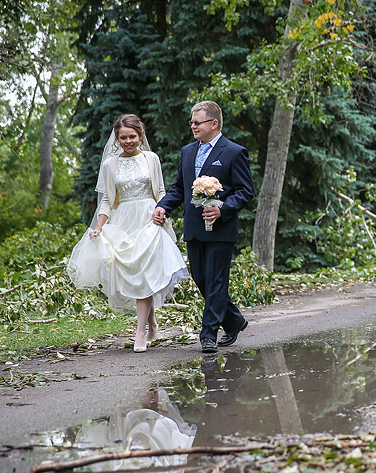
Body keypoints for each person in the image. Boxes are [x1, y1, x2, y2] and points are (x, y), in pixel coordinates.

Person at [67, 114, 188, 352]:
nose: (128, 141)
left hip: (149, 219)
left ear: (140, 136)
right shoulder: (109, 165)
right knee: (133, 275)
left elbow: (161, 190)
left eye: (132, 136)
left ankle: (140, 331)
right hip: (123, 222)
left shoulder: (152, 159)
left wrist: (162, 211)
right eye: (123, 137)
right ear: (117, 139)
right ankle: (151, 322)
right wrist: (99, 226)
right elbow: (106, 200)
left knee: (145, 274)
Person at [152, 101, 254, 354]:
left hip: (221, 228)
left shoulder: (234, 152)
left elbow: (245, 191)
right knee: (201, 278)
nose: (193, 126)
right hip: (195, 227)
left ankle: (208, 334)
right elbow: (179, 188)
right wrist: (164, 206)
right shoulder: (187, 152)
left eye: (198, 122)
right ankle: (234, 320)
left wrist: (223, 208)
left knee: (217, 281)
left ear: (214, 124)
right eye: (192, 122)